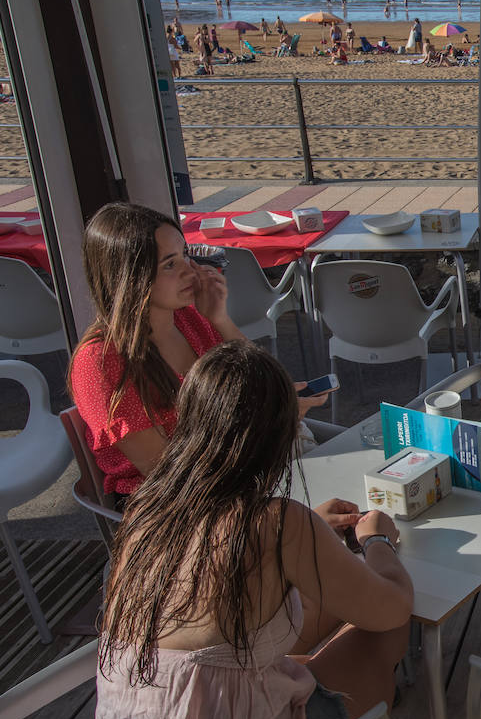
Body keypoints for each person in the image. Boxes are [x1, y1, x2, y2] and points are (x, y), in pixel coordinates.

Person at [93, 340, 413, 719]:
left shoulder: (148, 508)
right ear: (281, 434)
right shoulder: (276, 523)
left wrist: (312, 532)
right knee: (379, 637)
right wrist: (376, 540)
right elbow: (391, 608)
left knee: (310, 615)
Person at [68, 204, 330, 502]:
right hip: (178, 503)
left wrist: (221, 319)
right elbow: (168, 471)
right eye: (169, 264)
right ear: (129, 278)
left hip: (238, 468)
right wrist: (269, 423)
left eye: (184, 254)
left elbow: (262, 379)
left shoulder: (188, 318)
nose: (189, 270)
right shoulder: (102, 362)